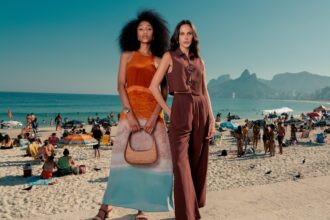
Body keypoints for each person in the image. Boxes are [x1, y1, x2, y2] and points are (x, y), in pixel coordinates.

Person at [94, 10, 173, 220]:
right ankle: (106, 207)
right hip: (129, 116)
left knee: (148, 162)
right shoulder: (126, 56)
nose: (144, 32)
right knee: (120, 162)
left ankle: (141, 208)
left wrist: (156, 116)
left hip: (153, 118)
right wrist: (128, 114)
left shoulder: (159, 59)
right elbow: (120, 86)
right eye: (141, 29)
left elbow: (164, 91)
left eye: (149, 29)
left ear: (155, 33)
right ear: (134, 33)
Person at [149, 20, 215, 220]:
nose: (185, 37)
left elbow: (205, 91)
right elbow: (153, 87)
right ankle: (188, 215)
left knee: (196, 161)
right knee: (179, 162)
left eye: (189, 33)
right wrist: (168, 110)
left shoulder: (200, 62)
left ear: (193, 37)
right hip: (180, 106)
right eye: (182, 33)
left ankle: (192, 205)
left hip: (201, 108)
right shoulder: (169, 57)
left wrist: (211, 118)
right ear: (177, 37)